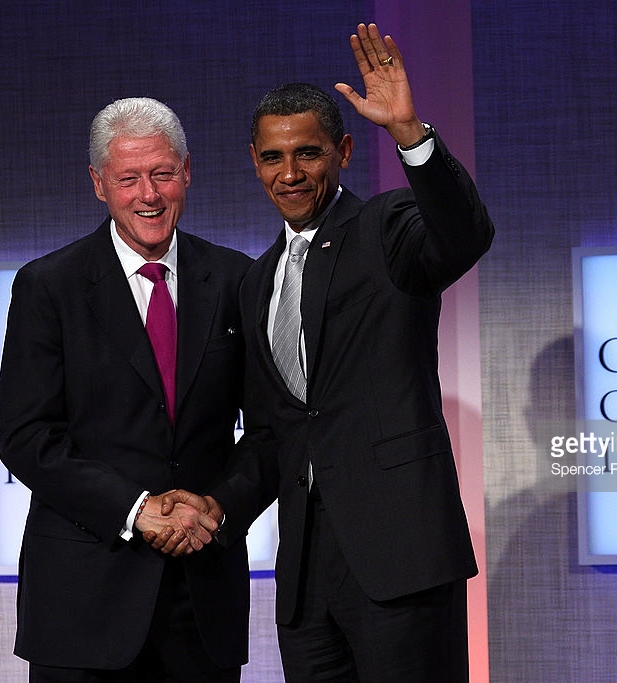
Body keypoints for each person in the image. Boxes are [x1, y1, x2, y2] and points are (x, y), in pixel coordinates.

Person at [163, 22, 495, 681]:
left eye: (308, 154)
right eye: (271, 158)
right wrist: (218, 503)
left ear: (342, 150)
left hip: (399, 558)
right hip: (308, 573)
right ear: (254, 161)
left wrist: (410, 134)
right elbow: (273, 433)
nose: (289, 173)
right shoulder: (256, 280)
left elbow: (464, 234)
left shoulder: (387, 229)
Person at [0, 97, 252, 682]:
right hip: (85, 598)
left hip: (203, 592)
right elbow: (27, 436)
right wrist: (136, 510)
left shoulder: (238, 279)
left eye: (163, 174)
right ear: (98, 184)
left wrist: (217, 507)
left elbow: (269, 428)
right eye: (129, 178)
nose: (149, 195)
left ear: (187, 171)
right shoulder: (49, 287)